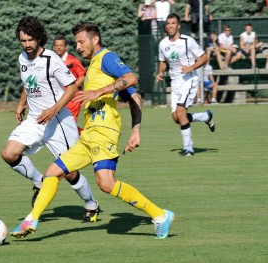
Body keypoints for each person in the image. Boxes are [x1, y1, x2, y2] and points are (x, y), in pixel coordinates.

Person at [11, 21, 175, 240]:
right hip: (89, 135)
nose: (78, 47)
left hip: (104, 131)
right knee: (53, 172)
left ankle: (160, 215)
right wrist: (136, 129)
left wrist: (100, 93)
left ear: (95, 39)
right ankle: (31, 221)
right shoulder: (93, 67)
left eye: (81, 42)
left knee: (106, 184)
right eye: (76, 42)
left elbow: (132, 80)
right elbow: (133, 96)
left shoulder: (106, 58)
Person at [1, 16, 100, 223]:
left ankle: (92, 204)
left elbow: (72, 87)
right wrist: (21, 103)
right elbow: (28, 84)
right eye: (23, 40)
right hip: (35, 120)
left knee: (69, 171)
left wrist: (54, 109)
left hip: (58, 123)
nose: (27, 45)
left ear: (38, 38)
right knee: (9, 153)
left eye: (30, 40)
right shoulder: (22, 58)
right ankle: (39, 181)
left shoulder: (51, 59)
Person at [156, 13, 216, 157]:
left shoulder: (187, 41)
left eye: (173, 23)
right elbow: (162, 61)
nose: (170, 26)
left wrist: (191, 68)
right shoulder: (163, 44)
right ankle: (205, 117)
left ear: (178, 26)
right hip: (175, 83)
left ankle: (188, 148)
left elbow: (204, 57)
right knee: (177, 118)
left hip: (188, 80)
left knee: (181, 113)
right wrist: (159, 73)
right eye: (168, 23)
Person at [53, 35, 86, 123]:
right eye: (56, 46)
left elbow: (82, 76)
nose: (59, 48)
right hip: (58, 98)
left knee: (70, 124)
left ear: (66, 47)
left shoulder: (73, 60)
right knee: (60, 125)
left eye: (61, 45)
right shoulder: (52, 61)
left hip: (72, 99)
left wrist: (71, 89)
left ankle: (88, 136)